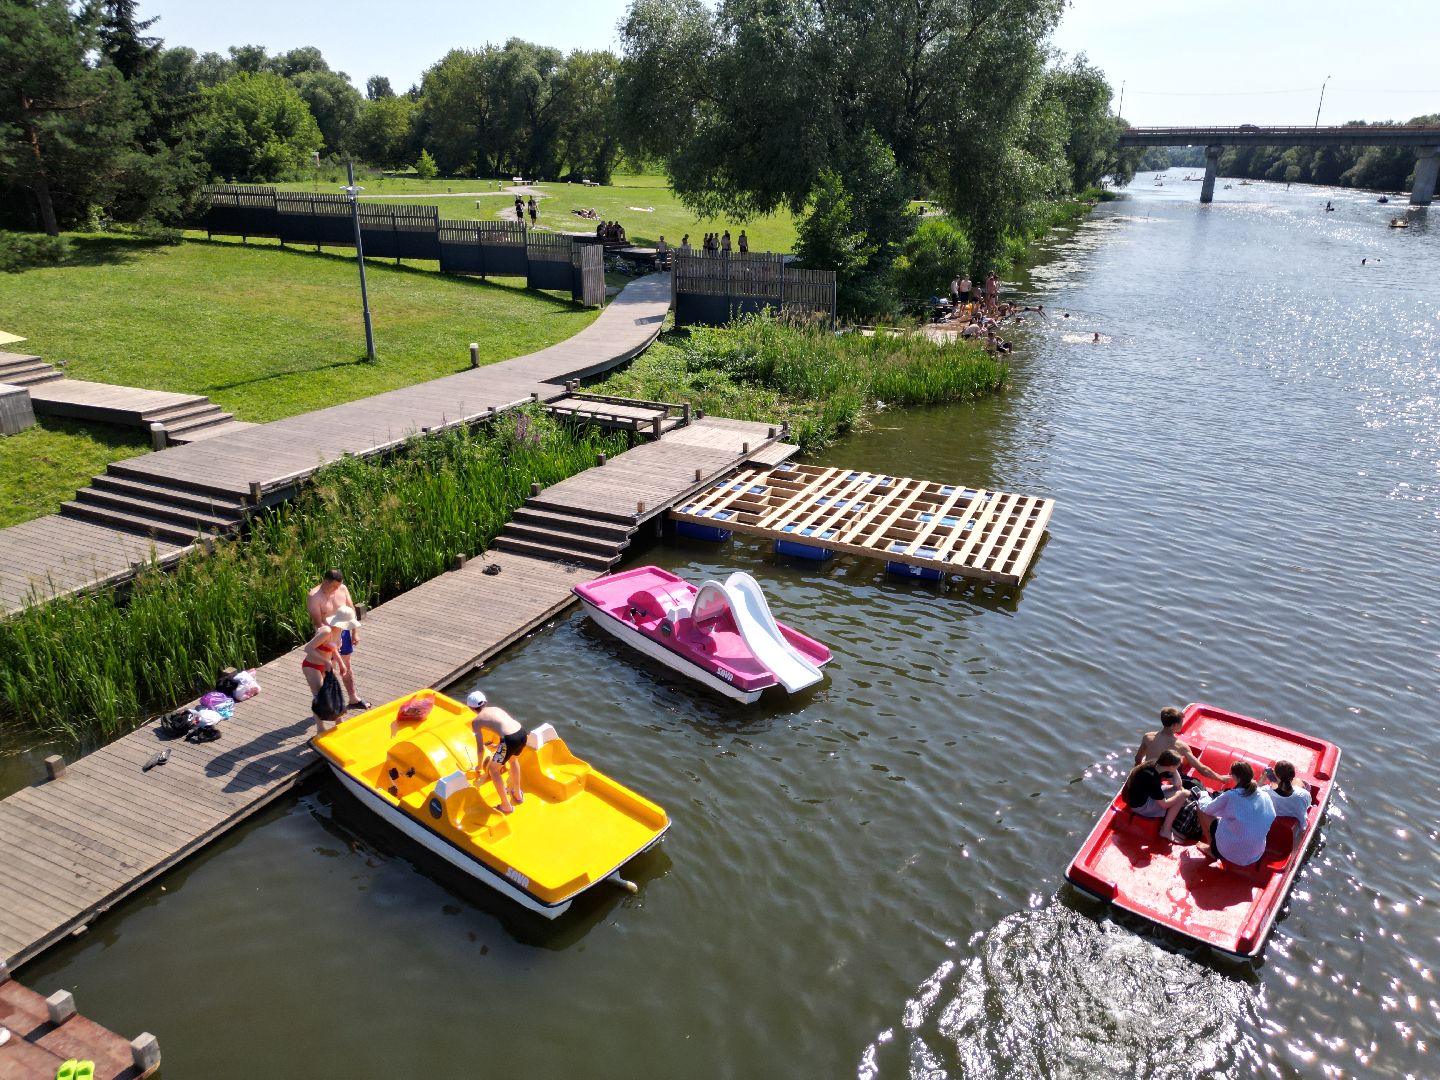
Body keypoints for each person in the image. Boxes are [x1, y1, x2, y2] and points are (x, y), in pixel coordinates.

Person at [306, 570, 370, 711]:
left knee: (347, 664)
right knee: (331, 670)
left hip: (344, 632)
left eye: (339, 586)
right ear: (326, 581)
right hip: (327, 637)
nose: (337, 589)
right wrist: (330, 641)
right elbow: (318, 624)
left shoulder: (342, 588)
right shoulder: (314, 597)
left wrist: (355, 633)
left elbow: (351, 610)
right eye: (334, 586)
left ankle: (353, 698)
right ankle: (332, 704)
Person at [1197, 762, 1275, 865]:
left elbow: (1207, 808)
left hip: (1229, 853)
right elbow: (1272, 815)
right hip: (1256, 854)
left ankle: (1213, 849)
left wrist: (1203, 794)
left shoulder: (1231, 796)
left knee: (1200, 808)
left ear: (1234, 776)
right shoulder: (1265, 796)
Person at [468, 689, 526, 814]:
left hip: (509, 740)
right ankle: (517, 794)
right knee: (513, 760)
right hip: (521, 733)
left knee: (494, 770)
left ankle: (506, 806)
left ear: (471, 708)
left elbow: (480, 748)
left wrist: (479, 765)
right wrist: (500, 745)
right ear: (486, 702)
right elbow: (506, 726)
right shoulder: (496, 709)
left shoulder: (476, 721)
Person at [1135, 706, 1225, 782]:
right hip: (1166, 777)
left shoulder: (1148, 737)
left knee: (1181, 758)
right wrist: (1220, 778)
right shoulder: (1180, 746)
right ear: (1173, 725)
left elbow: (1138, 759)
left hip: (1150, 772)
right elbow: (1201, 769)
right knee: (1195, 781)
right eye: (1181, 723)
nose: (1182, 725)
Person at [1123, 749, 1193, 840]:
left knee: (1178, 790)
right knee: (1182, 795)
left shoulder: (1156, 766)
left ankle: (1167, 825)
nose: (1178, 768)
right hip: (1140, 807)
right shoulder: (1151, 777)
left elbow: (1178, 785)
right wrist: (1181, 795)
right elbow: (1164, 805)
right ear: (1170, 766)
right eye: (1177, 766)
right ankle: (1165, 830)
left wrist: (1174, 770)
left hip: (1146, 796)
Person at [1265, 760, 1313, 826]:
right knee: (1300, 782)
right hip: (1299, 820)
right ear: (1292, 776)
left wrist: (1262, 779)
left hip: (1275, 817)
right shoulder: (1303, 794)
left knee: (1274, 785)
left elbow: (1255, 794)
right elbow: (1307, 804)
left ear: (1275, 775)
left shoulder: (1266, 792)